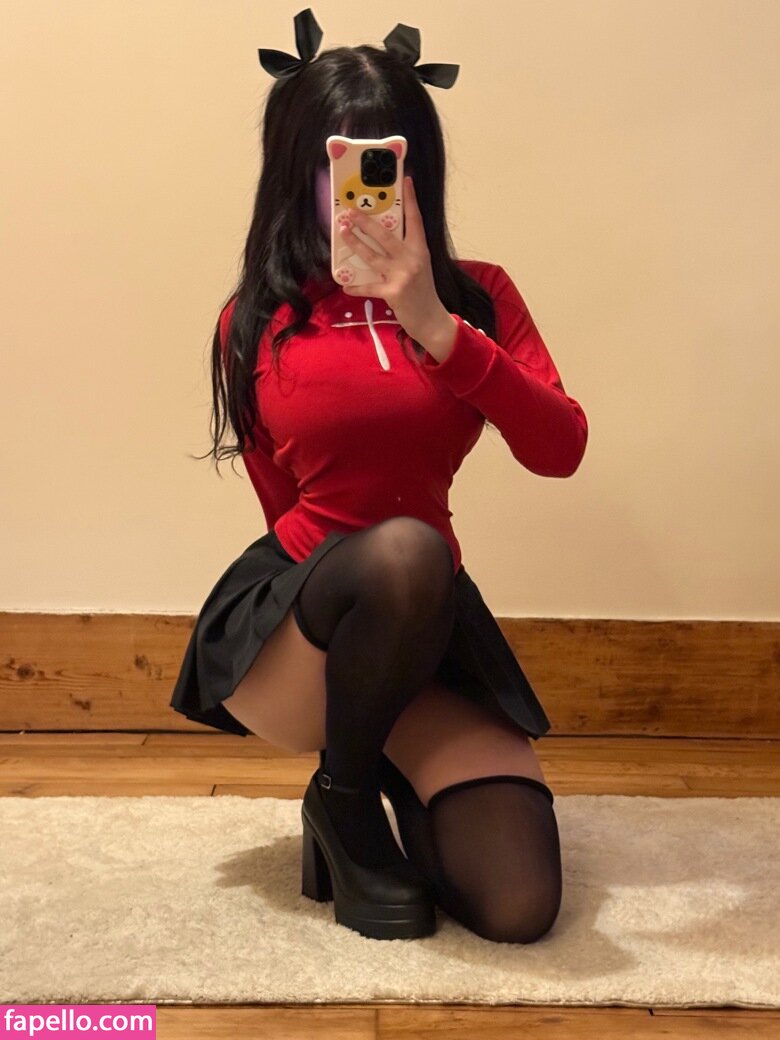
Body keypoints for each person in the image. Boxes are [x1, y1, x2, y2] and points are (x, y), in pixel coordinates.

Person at [170, 9, 588, 943]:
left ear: (417, 170)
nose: (361, 191)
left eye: (384, 165)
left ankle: (377, 768)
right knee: (402, 552)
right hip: (300, 636)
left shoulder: (480, 299)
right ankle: (347, 799)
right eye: (338, 166)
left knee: (517, 906)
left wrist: (436, 325)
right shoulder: (257, 319)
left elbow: (559, 448)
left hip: (426, 617)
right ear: (297, 171)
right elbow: (282, 498)